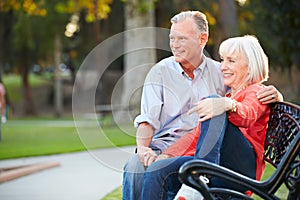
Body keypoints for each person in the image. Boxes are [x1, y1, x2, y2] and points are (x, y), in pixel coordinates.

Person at [122, 11, 282, 200]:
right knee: (151, 168)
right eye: (172, 38)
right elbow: (184, 129)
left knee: (214, 103)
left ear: (202, 39)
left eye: (181, 38)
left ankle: (200, 177)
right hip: (183, 148)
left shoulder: (229, 80)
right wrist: (159, 153)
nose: (174, 44)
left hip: (229, 161)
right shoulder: (160, 72)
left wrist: (228, 103)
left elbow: (249, 111)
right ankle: (198, 174)